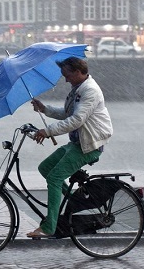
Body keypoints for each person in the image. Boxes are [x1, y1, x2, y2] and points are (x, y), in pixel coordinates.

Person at [26, 56, 113, 238]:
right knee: (45, 168)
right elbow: (67, 114)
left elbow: (76, 120)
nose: (65, 79)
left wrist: (47, 131)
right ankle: (74, 201)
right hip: (76, 143)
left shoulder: (90, 91)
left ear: (78, 72)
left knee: (55, 179)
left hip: (88, 146)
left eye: (67, 75)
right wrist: (44, 109)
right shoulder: (78, 89)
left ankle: (50, 227)